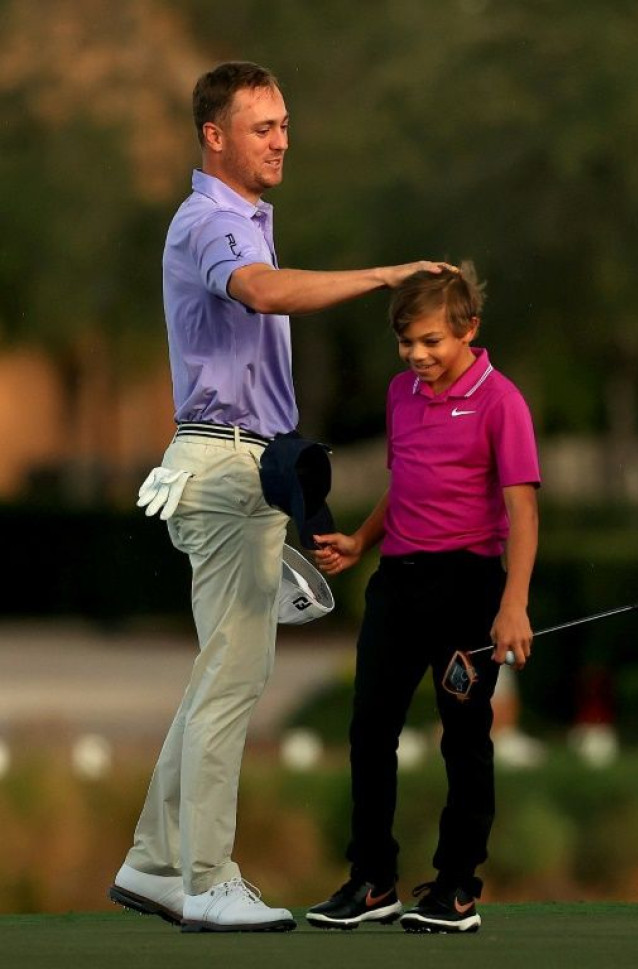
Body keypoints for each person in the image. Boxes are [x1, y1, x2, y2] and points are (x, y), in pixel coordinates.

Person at [108, 60, 451, 934]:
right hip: (225, 465)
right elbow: (259, 291)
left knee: (217, 673)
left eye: (286, 124)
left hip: (237, 464)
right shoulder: (211, 220)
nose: (282, 139)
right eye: (263, 127)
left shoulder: (244, 220)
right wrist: (384, 275)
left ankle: (153, 863)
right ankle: (205, 875)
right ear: (214, 136)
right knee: (233, 676)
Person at [306, 263, 540, 934]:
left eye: (432, 341)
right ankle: (372, 879)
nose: (418, 355)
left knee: (464, 738)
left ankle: (458, 887)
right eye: (407, 342)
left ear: (469, 329)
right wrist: (360, 541)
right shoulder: (400, 394)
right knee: (368, 729)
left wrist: (514, 603)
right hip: (398, 585)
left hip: (470, 587)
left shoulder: (503, 401)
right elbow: (405, 483)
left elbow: (523, 512)